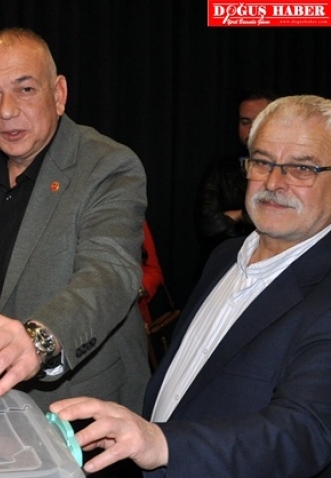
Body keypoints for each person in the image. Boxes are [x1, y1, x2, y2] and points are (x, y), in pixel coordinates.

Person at [51, 95, 331, 477]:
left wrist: (162, 443)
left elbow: (302, 433)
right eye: (262, 161)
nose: (273, 182)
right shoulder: (224, 257)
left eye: (301, 168)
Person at [0, 27, 149, 415]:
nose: (6, 110)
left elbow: (110, 273)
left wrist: (39, 340)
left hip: (78, 407)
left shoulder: (108, 165)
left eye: (25, 89)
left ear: (58, 94)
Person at [194, 90, 276, 264]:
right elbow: (207, 226)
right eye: (245, 122)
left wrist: (237, 215)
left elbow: (283, 220)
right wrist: (251, 217)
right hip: (227, 262)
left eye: (260, 120)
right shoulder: (220, 168)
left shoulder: (288, 168)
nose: (252, 128)